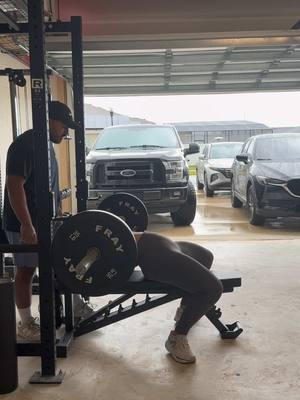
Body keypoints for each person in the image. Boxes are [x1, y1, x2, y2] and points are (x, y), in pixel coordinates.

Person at [2, 101, 94, 341]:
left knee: (59, 263)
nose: (65, 132)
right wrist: (26, 224)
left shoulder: (46, 145)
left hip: (45, 221)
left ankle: (74, 307)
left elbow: (48, 184)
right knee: (26, 270)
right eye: (63, 126)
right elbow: (15, 185)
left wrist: (58, 214)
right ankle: (25, 323)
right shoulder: (24, 145)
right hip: (24, 223)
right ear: (49, 120)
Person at [134, 231, 223, 364]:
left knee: (205, 256)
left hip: (157, 242)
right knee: (213, 289)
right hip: (154, 256)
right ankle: (177, 338)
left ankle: (185, 311)